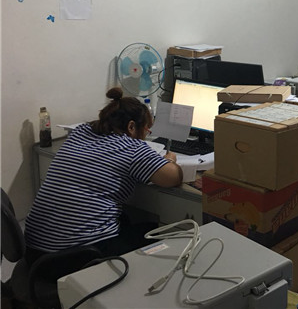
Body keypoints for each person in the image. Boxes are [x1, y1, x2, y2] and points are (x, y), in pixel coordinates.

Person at [24, 87, 183, 263]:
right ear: (131, 127)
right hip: (73, 256)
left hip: (35, 251)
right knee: (160, 233)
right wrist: (170, 160)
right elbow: (173, 178)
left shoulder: (81, 131)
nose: (145, 136)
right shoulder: (132, 148)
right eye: (146, 130)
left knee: (125, 219)